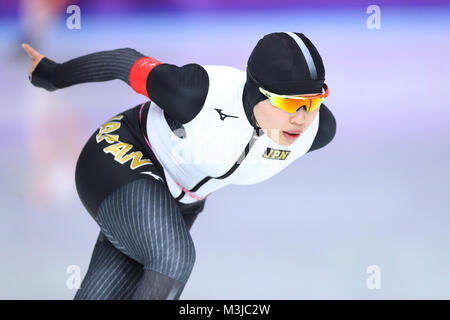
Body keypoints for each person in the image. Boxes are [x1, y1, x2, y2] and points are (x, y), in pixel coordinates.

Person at [23, 31, 336, 300]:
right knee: (173, 259)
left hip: (178, 202)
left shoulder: (316, 132)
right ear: (256, 90)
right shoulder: (196, 92)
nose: (301, 118)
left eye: (313, 102)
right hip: (121, 155)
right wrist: (52, 74)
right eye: (289, 103)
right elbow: (124, 61)